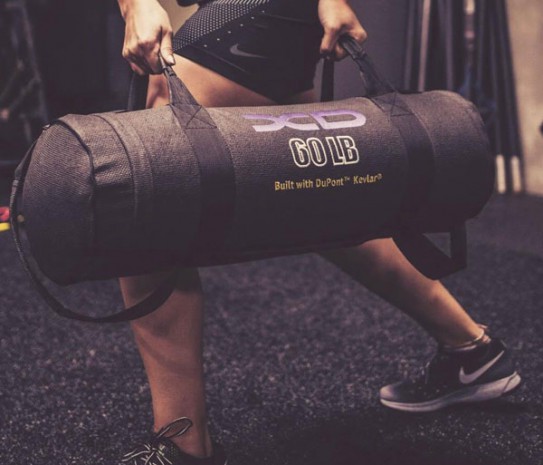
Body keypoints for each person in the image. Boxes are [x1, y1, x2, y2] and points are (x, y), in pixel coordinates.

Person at [115, 0, 521, 463]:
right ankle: (472, 349)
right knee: (310, 198)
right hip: (275, 11)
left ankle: (183, 443)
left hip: (255, 10)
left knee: (152, 188)